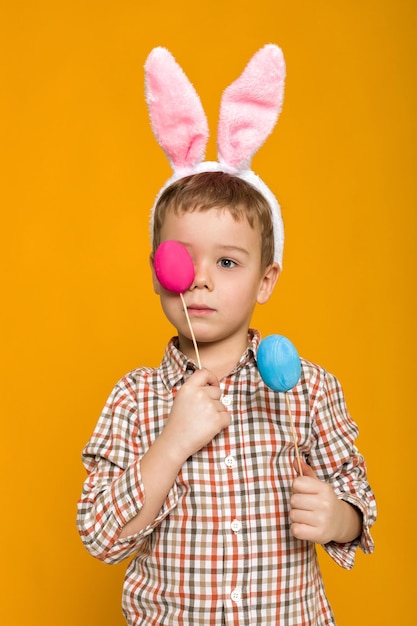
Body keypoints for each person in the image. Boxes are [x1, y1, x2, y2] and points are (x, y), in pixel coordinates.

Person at [77, 46, 376, 625]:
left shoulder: (308, 390)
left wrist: (341, 517)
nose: (203, 281)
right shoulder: (135, 400)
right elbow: (99, 537)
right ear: (157, 273)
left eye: (230, 263)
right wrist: (170, 444)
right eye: (185, 261)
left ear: (267, 280)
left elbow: (357, 490)